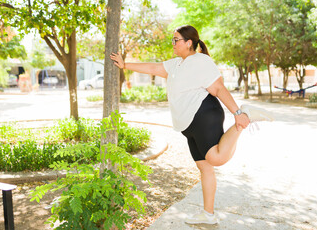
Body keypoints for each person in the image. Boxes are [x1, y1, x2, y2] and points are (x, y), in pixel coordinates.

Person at [110, 25, 273, 225]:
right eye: (173, 40)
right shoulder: (177, 64)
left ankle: (244, 118)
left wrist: (237, 112)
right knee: (204, 167)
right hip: (189, 124)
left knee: (216, 158)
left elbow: (218, 88)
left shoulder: (200, 61)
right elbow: (153, 68)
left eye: (176, 40)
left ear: (189, 43)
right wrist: (125, 65)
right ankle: (208, 215)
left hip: (204, 114)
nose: (173, 43)